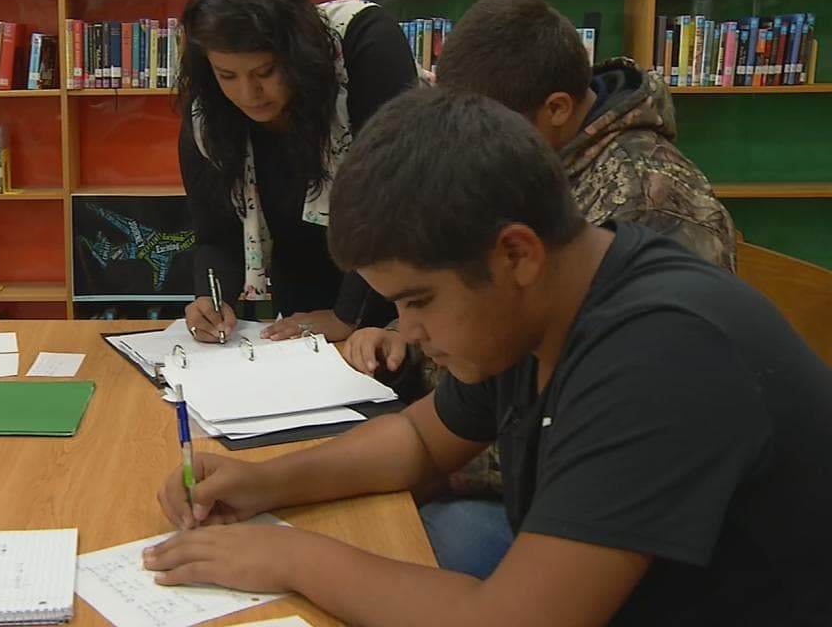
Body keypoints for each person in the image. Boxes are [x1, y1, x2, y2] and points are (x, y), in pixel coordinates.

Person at [146, 88, 832, 626]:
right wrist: (260, 484)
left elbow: (511, 621)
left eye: (417, 302)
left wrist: (288, 554)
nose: (408, 330)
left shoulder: (663, 352)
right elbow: (419, 440)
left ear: (515, 254)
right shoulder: (537, 306)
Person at [340, 0, 739, 518]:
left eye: (486, 125)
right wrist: (399, 338)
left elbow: (614, 432)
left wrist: (432, 472)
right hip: (466, 425)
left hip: (538, 486)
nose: (463, 148)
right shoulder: (517, 178)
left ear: (556, 109)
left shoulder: (652, 206)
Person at [177, 0, 417, 344]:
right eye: (228, 76)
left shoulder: (362, 43)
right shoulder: (209, 116)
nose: (248, 94)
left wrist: (346, 317)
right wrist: (211, 297)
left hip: (406, 296)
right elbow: (216, 234)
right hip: (307, 300)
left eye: (265, 71)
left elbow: (393, 202)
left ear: (298, 52)